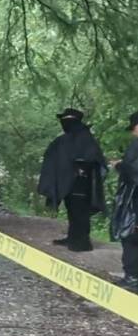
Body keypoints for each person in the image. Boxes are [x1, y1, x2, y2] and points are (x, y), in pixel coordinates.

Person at [38, 108, 107, 252]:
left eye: (65, 120)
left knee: (80, 212)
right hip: (71, 183)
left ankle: (81, 243)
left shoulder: (82, 138)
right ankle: (72, 237)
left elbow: (95, 160)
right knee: (73, 210)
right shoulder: (68, 139)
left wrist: (80, 168)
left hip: (82, 183)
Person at [111, 112, 138, 291]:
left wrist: (119, 165)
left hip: (134, 200)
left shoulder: (137, 145)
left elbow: (134, 173)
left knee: (130, 237)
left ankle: (132, 278)